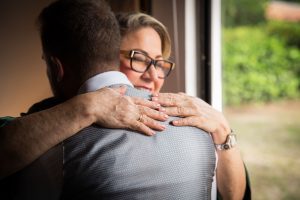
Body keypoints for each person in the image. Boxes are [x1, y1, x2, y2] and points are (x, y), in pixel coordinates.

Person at [0, 1, 250, 200]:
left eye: (160, 63)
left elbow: (235, 196)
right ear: (105, 54)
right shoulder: (48, 122)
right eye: (138, 58)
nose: (153, 75)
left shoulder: (196, 122)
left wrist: (222, 129)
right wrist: (87, 107)